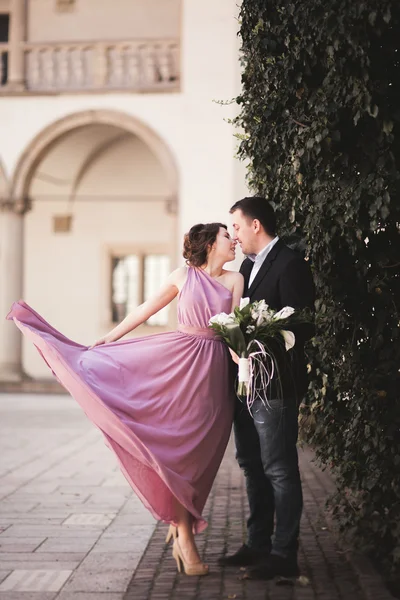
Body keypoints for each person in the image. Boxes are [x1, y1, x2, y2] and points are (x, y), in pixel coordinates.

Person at [7, 223, 244, 577]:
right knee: (178, 453)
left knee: (202, 456)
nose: (234, 241)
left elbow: (235, 330)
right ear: (211, 243)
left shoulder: (235, 280)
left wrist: (245, 367)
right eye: (228, 236)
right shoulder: (183, 276)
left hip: (214, 373)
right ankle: (184, 536)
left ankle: (180, 525)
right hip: (178, 366)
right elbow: (145, 310)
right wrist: (110, 338)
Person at [219, 197, 315, 579]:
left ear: (256, 225)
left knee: (278, 469)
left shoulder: (290, 264)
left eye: (237, 227)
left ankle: (283, 553)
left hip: (275, 385)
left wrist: (261, 334)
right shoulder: (246, 265)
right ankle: (257, 544)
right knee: (251, 466)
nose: (235, 236)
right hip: (245, 385)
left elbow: (304, 324)